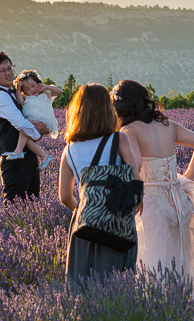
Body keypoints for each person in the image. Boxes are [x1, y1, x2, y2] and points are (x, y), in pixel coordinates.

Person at [113, 79, 194, 285]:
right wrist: (185, 179)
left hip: (150, 203)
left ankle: (158, 306)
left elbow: (136, 165)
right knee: (181, 257)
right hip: (179, 202)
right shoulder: (168, 124)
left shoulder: (129, 130)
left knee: (153, 260)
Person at [59, 83, 142, 284]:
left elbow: (64, 196)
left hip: (84, 226)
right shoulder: (119, 139)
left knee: (81, 284)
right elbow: (136, 181)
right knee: (117, 284)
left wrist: (88, 209)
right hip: (116, 222)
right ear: (108, 109)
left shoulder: (69, 149)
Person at [0, 52, 55, 201]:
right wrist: (40, 132)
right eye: (2, 70)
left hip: (29, 158)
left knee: (33, 203)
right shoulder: (0, 97)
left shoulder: (15, 93)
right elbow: (21, 123)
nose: (9, 73)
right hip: (13, 160)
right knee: (14, 206)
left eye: (10, 68)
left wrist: (46, 128)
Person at [1, 69, 63, 170]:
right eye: (27, 89)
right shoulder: (27, 98)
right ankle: (44, 156)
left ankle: (19, 151)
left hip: (45, 121)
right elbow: (21, 102)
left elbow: (60, 91)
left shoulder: (45, 93)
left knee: (24, 129)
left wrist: (45, 86)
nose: (32, 90)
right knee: (27, 137)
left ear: (38, 83)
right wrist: (17, 90)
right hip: (34, 122)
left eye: (33, 86)